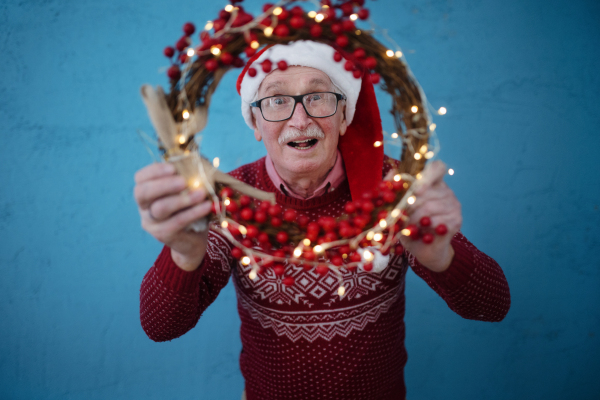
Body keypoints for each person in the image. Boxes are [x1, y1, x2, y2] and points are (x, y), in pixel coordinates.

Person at [135, 41, 510, 400]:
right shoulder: (230, 200)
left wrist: (441, 257)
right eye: (278, 100)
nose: (300, 120)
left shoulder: (393, 190)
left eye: (318, 97)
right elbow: (161, 327)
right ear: (255, 122)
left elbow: (493, 306)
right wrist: (183, 255)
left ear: (344, 117)